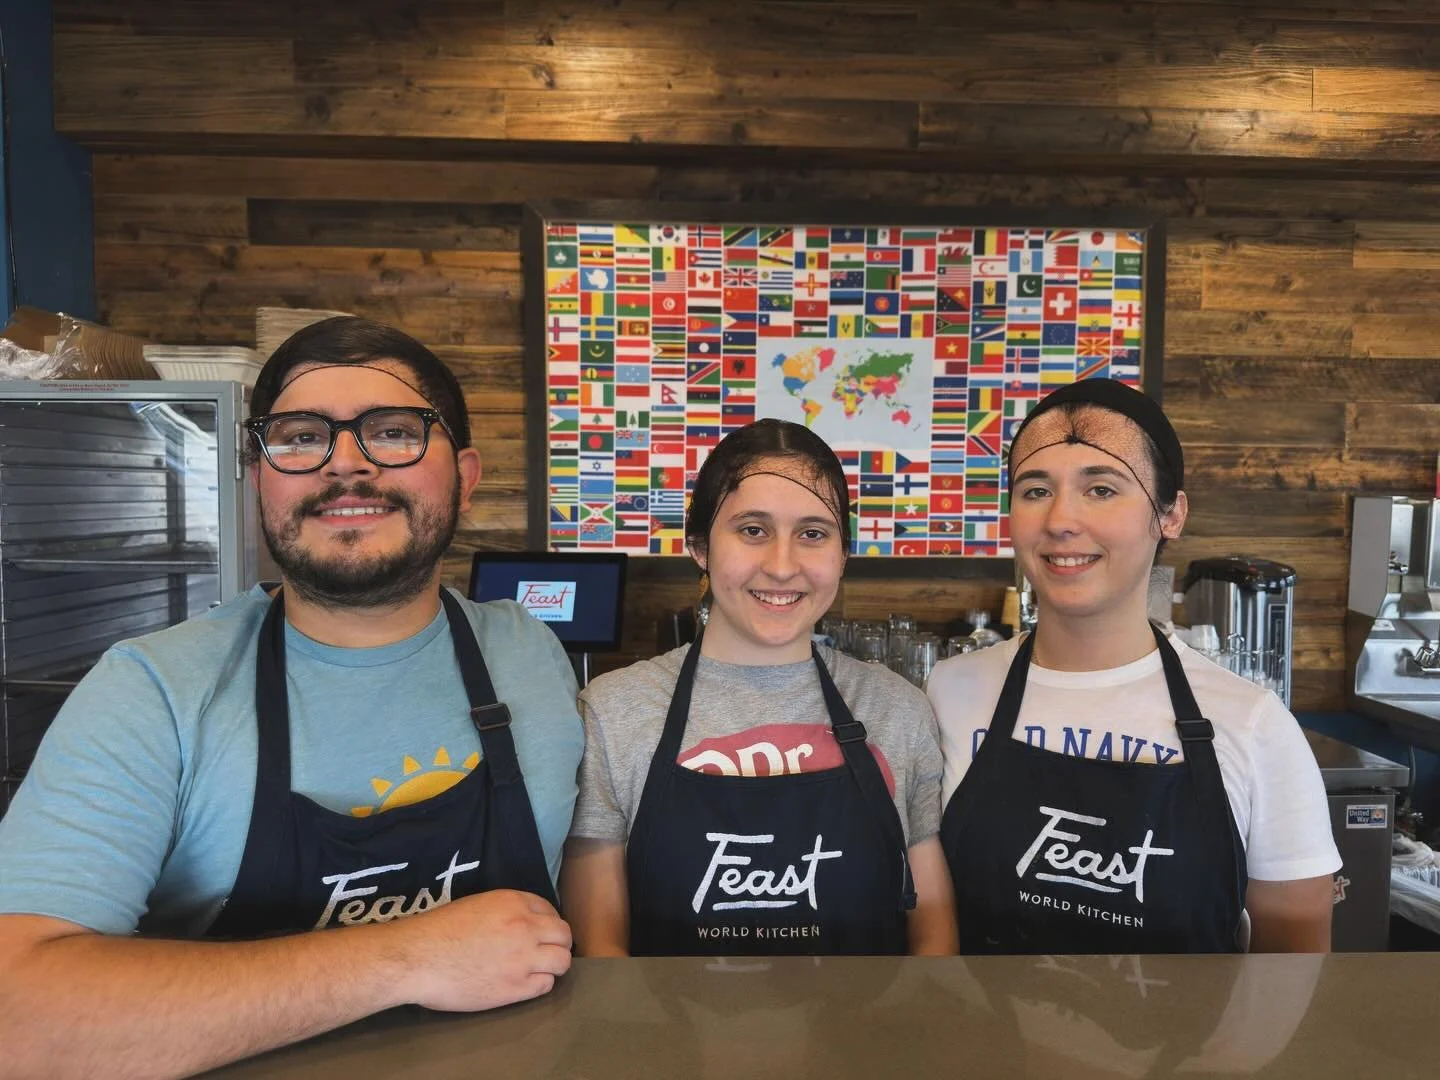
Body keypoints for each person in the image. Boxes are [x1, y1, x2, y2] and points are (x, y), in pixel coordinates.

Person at [0, 317, 583, 1075]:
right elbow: (19, 1017)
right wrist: (406, 958)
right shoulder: (152, 692)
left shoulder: (530, 654)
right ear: (256, 475)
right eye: (302, 436)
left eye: (395, 431)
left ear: (464, 478)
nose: (347, 466)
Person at [927, 377, 1340, 954]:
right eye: (1035, 490)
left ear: (1170, 515)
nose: (1061, 520)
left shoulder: (1253, 725)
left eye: (1101, 489)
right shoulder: (948, 691)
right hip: (974, 1043)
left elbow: (1291, 974)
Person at [562, 419, 957, 957]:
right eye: (752, 530)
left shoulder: (897, 709)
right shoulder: (614, 711)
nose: (781, 565)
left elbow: (932, 933)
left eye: (813, 534)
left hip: (869, 1039)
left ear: (842, 554)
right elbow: (602, 956)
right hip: (670, 1040)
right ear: (700, 545)